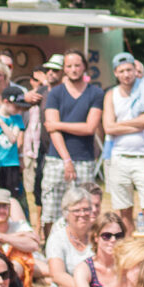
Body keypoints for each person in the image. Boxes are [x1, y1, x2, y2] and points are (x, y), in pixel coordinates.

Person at [38, 51, 105, 219]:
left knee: (84, 210)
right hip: (56, 158)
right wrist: (66, 159)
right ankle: (50, 244)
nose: (73, 69)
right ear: (64, 69)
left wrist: (59, 124)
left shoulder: (95, 93)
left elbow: (90, 127)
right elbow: (52, 131)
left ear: (84, 67)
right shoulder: (55, 93)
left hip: (85, 158)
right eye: (69, 66)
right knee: (51, 212)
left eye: (77, 65)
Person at [97, 54, 144, 215]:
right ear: (116, 73)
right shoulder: (111, 94)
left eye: (129, 70)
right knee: (123, 210)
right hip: (119, 157)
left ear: (135, 70)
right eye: (122, 71)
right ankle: (126, 240)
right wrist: (138, 125)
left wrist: (120, 125)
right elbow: (109, 128)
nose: (126, 74)